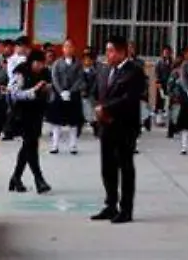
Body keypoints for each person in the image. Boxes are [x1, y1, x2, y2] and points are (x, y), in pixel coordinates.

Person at [92, 37, 145, 224]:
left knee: (125, 168)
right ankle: (110, 204)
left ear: (122, 52)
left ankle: (126, 209)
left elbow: (129, 98)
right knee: (107, 167)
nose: (107, 55)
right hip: (106, 126)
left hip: (124, 127)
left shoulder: (134, 72)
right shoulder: (104, 70)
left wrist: (107, 109)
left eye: (111, 51)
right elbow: (97, 93)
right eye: (106, 51)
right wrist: (99, 109)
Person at [8, 48, 54, 194]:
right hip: (22, 113)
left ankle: (16, 178)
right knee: (31, 145)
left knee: (28, 145)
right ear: (32, 61)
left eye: (43, 63)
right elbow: (15, 94)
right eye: (38, 63)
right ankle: (39, 179)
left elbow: (51, 91)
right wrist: (33, 91)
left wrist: (47, 90)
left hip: (37, 113)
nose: (40, 66)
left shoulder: (45, 72)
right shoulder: (20, 72)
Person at [47, 40, 85, 155]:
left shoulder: (78, 63)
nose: (68, 49)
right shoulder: (57, 63)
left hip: (74, 95)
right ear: (63, 49)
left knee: (73, 122)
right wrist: (61, 91)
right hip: (59, 95)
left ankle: (73, 145)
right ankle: (55, 145)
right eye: (66, 46)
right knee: (56, 121)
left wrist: (71, 91)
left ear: (74, 49)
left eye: (71, 46)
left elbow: (80, 79)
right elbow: (54, 78)